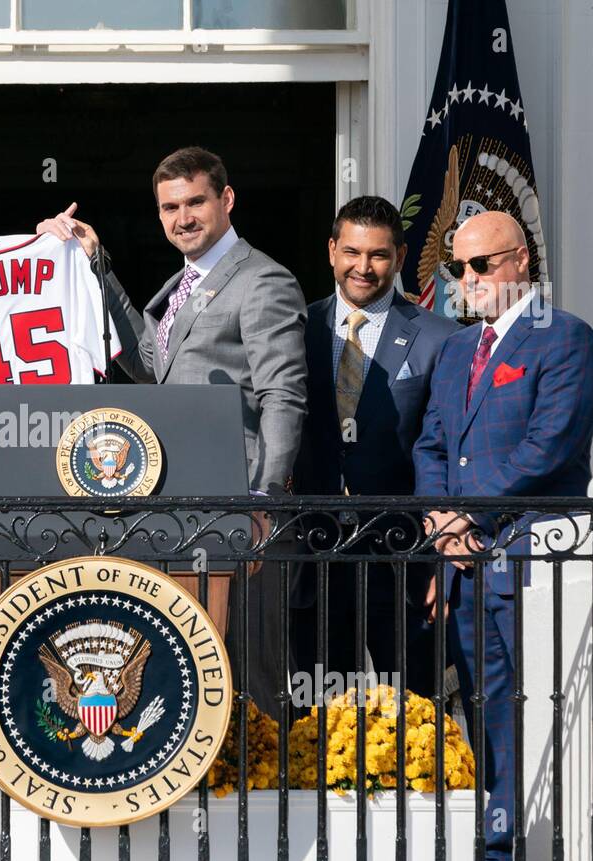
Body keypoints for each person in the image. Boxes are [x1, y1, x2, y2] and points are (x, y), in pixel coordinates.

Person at [37, 146, 308, 713]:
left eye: (195, 202)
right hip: (178, 508)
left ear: (226, 199)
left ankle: (265, 791)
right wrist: (96, 263)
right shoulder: (181, 283)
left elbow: (282, 396)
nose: (182, 217)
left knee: (249, 668)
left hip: (242, 508)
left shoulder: (263, 280)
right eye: (168, 207)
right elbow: (150, 367)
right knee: (189, 668)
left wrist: (264, 498)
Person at [413, 210, 593, 861]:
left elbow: (549, 446)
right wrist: (441, 523)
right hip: (466, 568)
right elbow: (431, 442)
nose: (468, 280)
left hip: (531, 562)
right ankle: (499, 853)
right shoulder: (458, 350)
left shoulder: (565, 339)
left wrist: (469, 515)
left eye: (482, 265)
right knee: (488, 715)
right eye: (457, 268)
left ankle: (557, 856)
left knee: (544, 709)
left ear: (520, 261)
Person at [292, 196, 458, 700]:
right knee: (316, 717)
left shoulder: (441, 337)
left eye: (379, 255)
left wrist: (443, 565)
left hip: (403, 556)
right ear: (331, 251)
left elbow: (450, 448)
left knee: (419, 714)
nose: (363, 267)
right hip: (313, 552)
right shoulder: (295, 329)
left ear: (401, 257)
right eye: (352, 252)